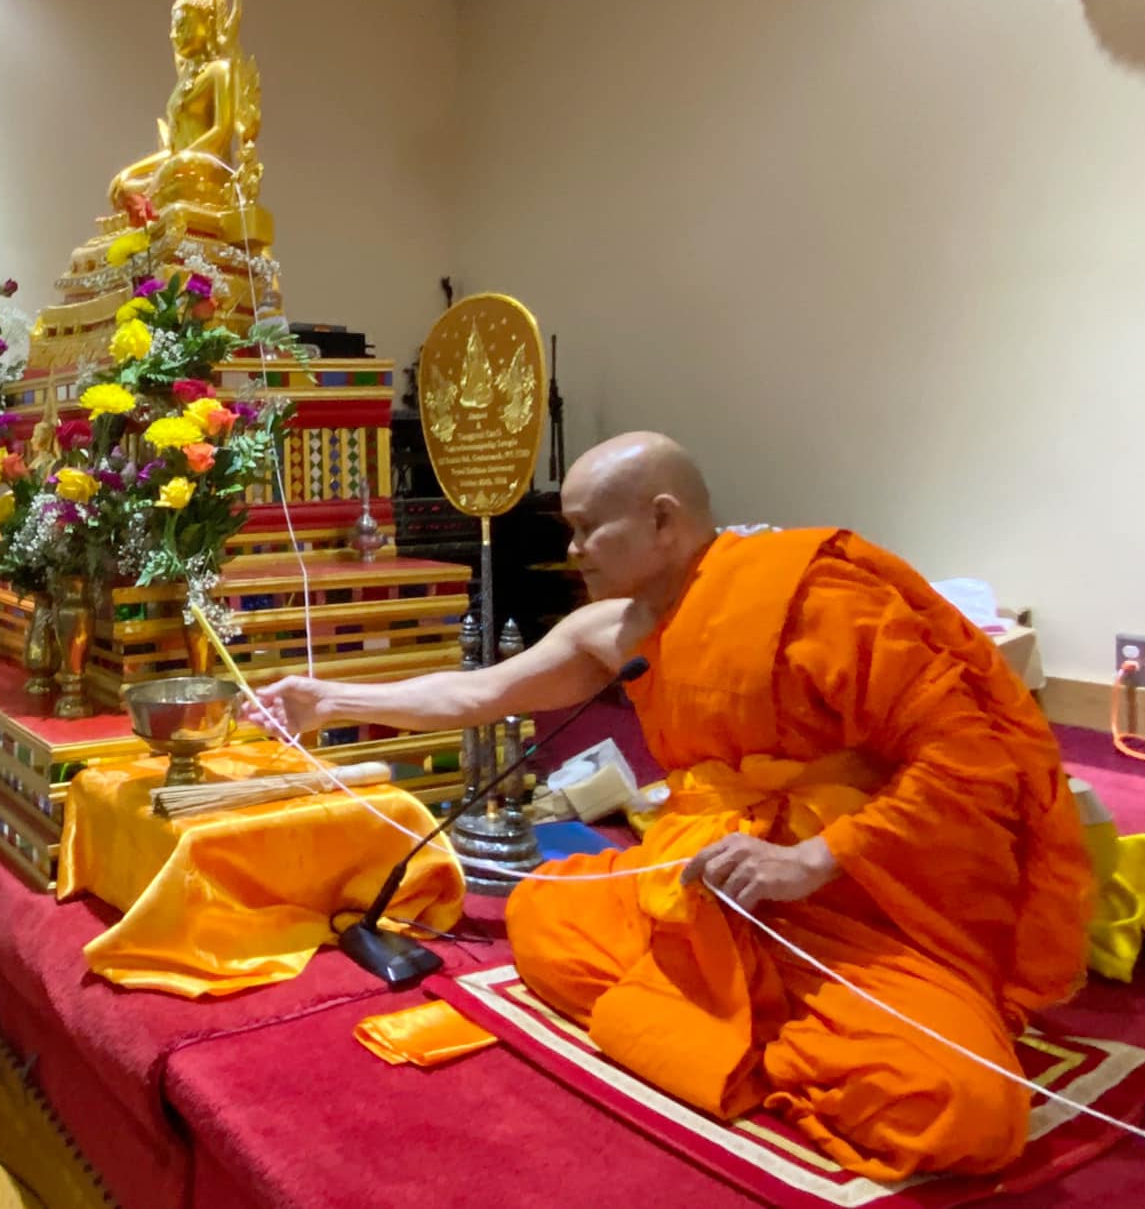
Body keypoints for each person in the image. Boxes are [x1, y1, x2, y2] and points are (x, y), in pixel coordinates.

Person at [247, 432, 1093, 1180]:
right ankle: (753, 1028)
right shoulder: (613, 629)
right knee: (544, 920)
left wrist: (812, 860)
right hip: (711, 876)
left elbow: (971, 755)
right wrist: (328, 697)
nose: (573, 550)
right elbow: (478, 692)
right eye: (568, 531)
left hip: (859, 894)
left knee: (966, 1112)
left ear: (662, 519)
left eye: (587, 529)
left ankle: (746, 1032)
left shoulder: (813, 596)